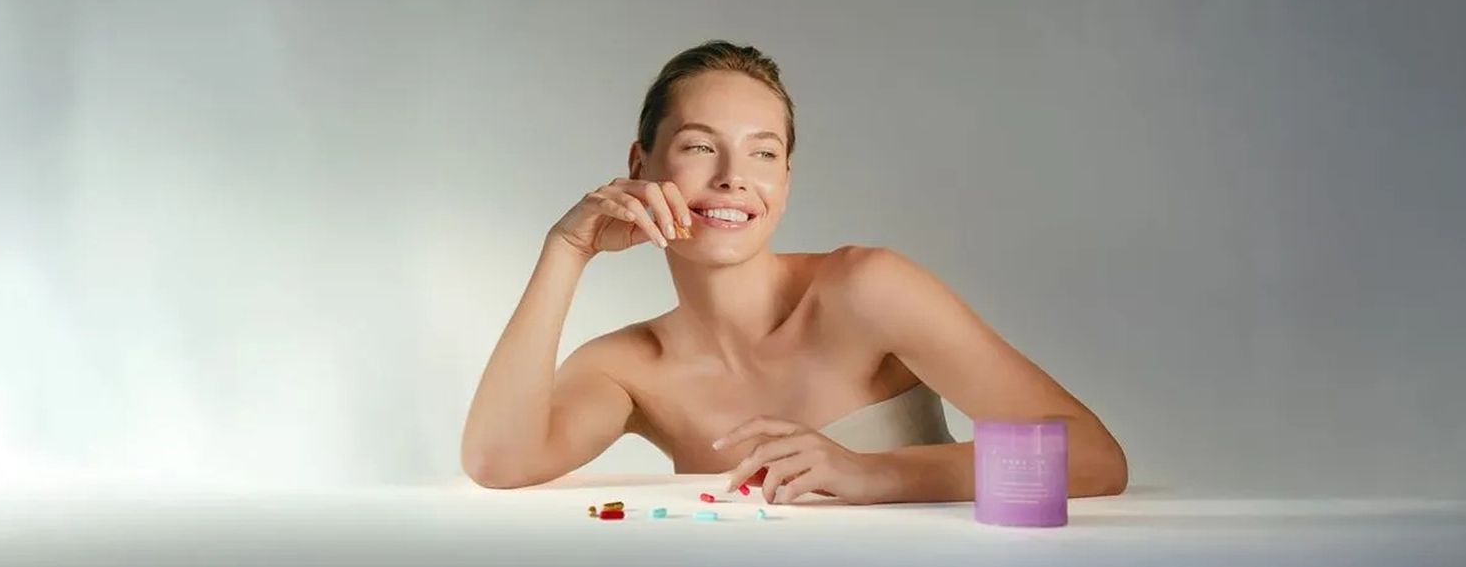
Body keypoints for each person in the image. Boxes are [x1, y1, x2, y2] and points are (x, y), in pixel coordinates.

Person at [461, 40, 1127, 504]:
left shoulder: (867, 289)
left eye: (763, 152)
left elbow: (1095, 457)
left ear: (785, 178)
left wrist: (872, 474)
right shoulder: (629, 366)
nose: (732, 178)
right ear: (640, 164)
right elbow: (499, 461)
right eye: (699, 146)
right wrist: (565, 249)